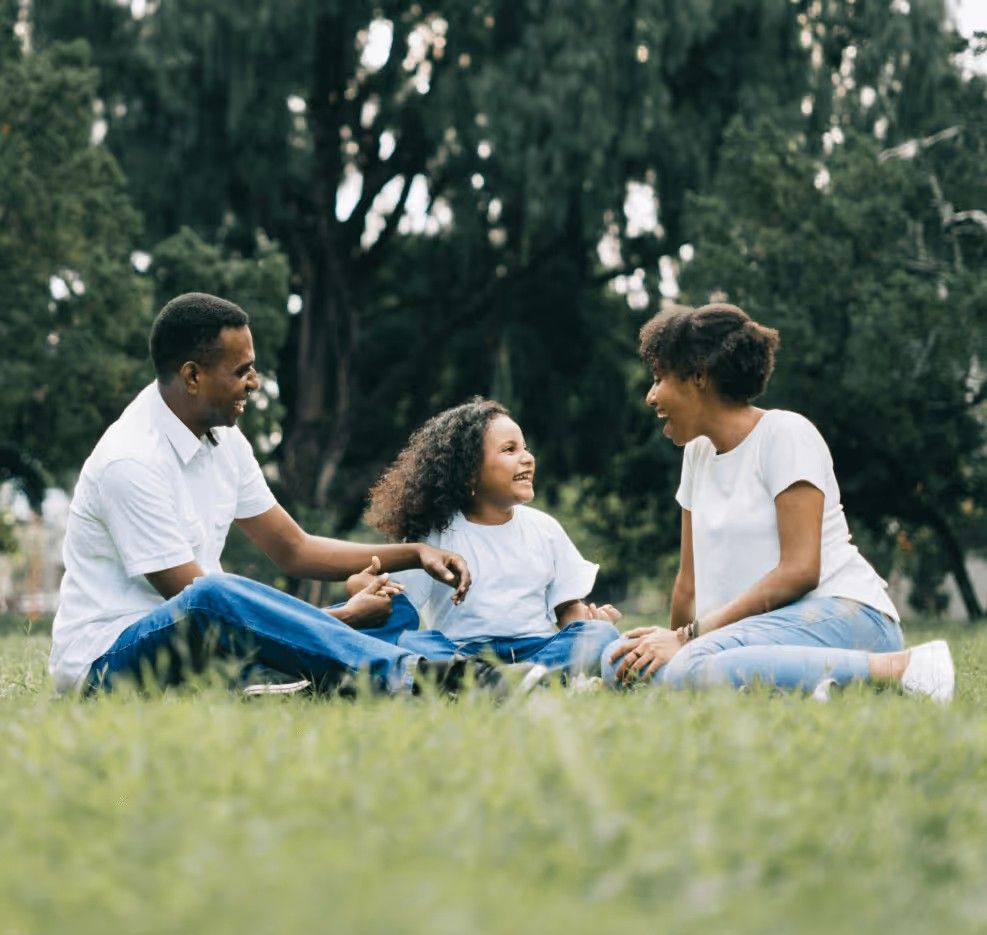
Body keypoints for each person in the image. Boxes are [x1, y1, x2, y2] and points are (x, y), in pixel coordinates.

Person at [49, 292, 486, 697]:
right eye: (241, 371)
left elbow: (295, 549)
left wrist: (415, 554)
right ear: (192, 376)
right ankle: (414, 673)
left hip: (207, 641)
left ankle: (290, 678)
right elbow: (201, 608)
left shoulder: (224, 441)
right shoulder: (130, 460)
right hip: (109, 660)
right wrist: (343, 618)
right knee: (211, 593)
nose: (254, 382)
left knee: (394, 611)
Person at [602, 302, 954, 703]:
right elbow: (688, 584)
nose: (651, 396)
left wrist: (688, 640)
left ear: (698, 376)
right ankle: (805, 684)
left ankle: (903, 667)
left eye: (658, 377)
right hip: (755, 632)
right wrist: (667, 645)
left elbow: (800, 571)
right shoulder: (697, 455)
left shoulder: (785, 435)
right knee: (618, 665)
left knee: (692, 665)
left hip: (842, 615)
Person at [343, 398, 621, 682]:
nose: (527, 457)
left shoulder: (545, 528)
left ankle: (516, 679)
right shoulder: (434, 535)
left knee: (601, 635)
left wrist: (583, 632)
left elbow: (567, 606)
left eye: (525, 448)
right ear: (468, 473)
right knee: (413, 644)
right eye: (509, 450)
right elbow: (397, 603)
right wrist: (361, 586)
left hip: (536, 648)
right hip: (462, 654)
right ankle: (509, 680)